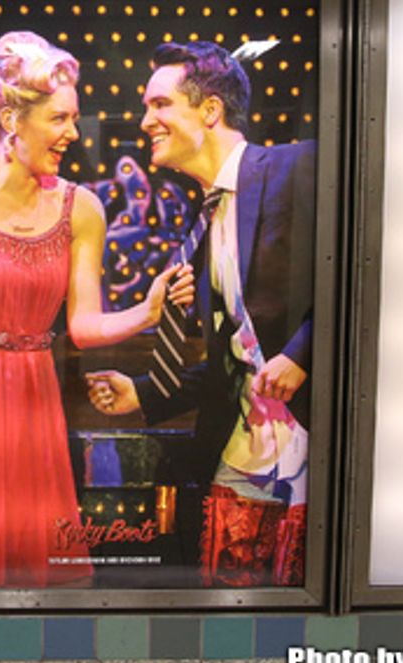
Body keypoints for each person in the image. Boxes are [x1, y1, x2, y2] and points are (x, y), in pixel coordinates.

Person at [0, 31, 193, 588]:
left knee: (29, 570)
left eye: (73, 118)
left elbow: (82, 327)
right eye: (59, 119)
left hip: (28, 403)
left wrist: (148, 312)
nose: (73, 134)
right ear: (12, 120)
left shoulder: (80, 207)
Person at [87, 41, 316, 587]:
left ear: (210, 111)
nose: (146, 121)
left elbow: (371, 273)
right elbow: (235, 357)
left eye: (160, 105)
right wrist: (144, 391)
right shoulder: (205, 219)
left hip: (313, 444)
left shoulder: (298, 166)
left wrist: (303, 354)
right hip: (245, 450)